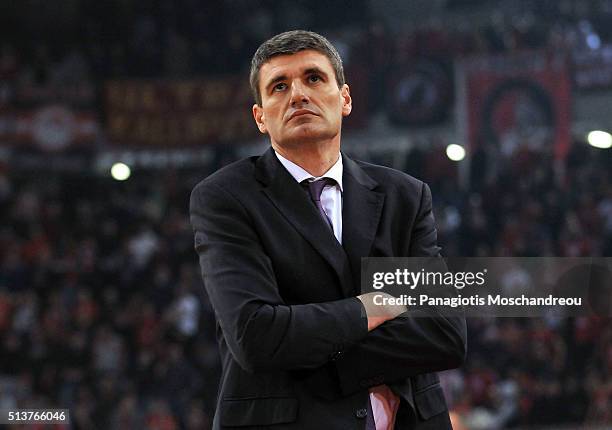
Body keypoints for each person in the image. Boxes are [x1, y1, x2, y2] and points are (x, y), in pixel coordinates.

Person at [190, 30, 466, 430]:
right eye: (279, 86)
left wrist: (316, 348)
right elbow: (256, 336)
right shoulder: (225, 197)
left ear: (346, 99)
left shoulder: (405, 195)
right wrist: (371, 307)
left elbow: (444, 332)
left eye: (314, 78)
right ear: (261, 117)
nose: (298, 94)